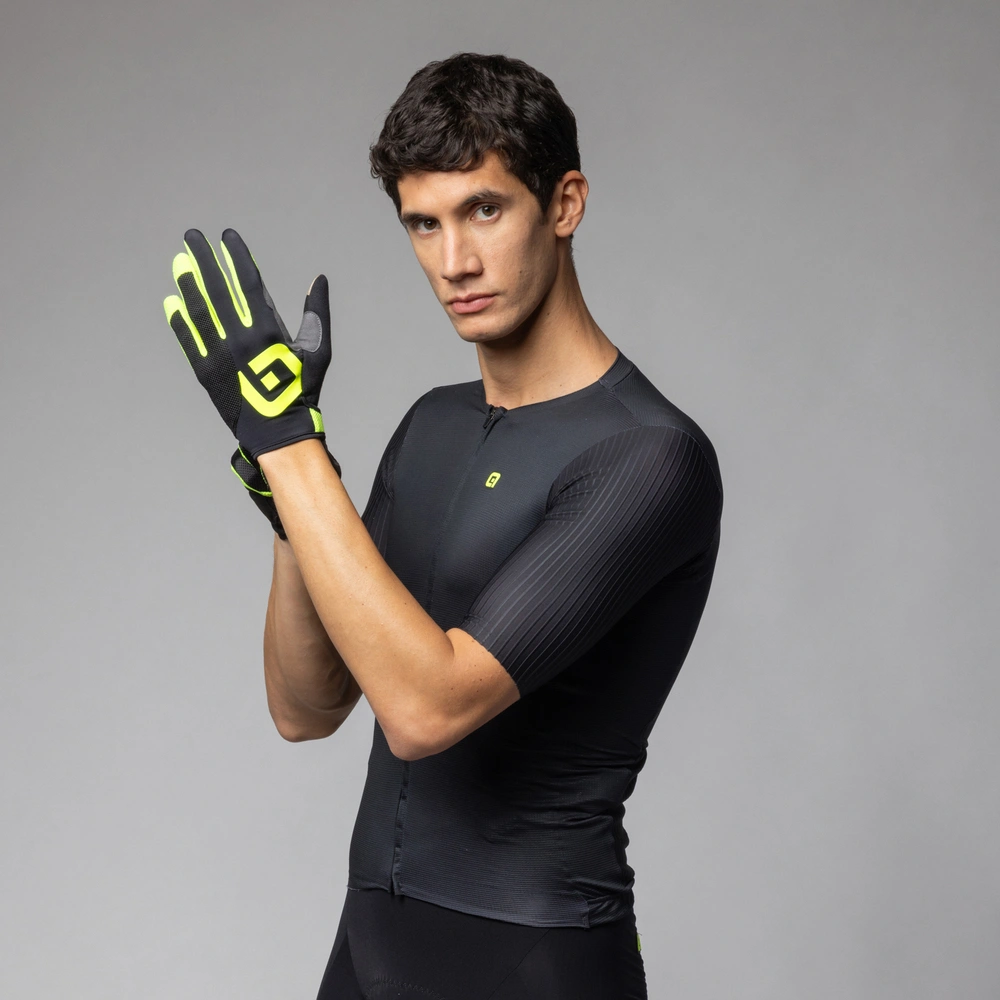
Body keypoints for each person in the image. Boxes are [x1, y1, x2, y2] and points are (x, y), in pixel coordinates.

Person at [163, 52, 722, 1000]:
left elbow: (426, 708)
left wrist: (289, 446)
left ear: (565, 203)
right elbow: (307, 708)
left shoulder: (646, 455)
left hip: (531, 956)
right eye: (423, 223)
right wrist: (291, 494)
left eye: (484, 210)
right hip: (371, 941)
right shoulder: (432, 423)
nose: (454, 261)